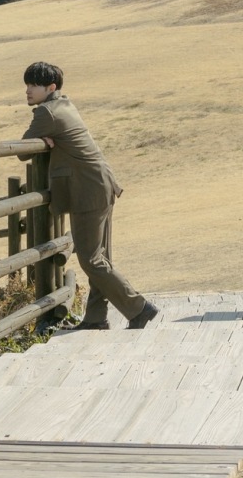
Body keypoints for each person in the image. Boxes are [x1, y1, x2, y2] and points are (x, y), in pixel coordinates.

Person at [18, 61, 157, 332]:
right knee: (101, 257)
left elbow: (23, 151)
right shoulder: (65, 104)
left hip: (87, 191)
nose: (27, 90)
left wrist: (41, 139)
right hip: (102, 183)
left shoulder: (46, 112)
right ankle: (95, 318)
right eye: (27, 84)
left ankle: (139, 308)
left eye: (33, 85)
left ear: (51, 87)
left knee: (91, 259)